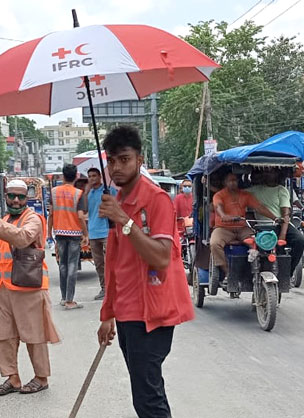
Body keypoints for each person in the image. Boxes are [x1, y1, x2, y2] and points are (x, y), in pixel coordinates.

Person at [96, 125, 194, 418]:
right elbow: (116, 265)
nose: (116, 167)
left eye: (124, 159)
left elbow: (162, 257)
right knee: (144, 392)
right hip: (127, 312)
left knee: (148, 397)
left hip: (153, 312)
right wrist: (107, 314)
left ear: (140, 160)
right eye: (111, 161)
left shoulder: (157, 199)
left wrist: (124, 220)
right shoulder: (116, 200)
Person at [0, 179, 60, 396]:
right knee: (3, 336)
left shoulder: (33, 219)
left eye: (21, 196)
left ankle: (41, 378)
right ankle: (12, 378)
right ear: (5, 196)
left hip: (29, 288)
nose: (16, 200)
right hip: (5, 288)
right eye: (11, 196)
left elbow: (23, 238)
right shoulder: (6, 219)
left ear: (28, 198)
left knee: (34, 335)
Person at [210, 172, 277, 275]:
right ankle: (227, 271)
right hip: (223, 228)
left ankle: (257, 268)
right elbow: (218, 207)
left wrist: (275, 218)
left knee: (259, 242)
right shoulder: (219, 195)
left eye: (235, 180)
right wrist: (224, 216)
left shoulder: (245, 195)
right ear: (225, 182)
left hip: (242, 228)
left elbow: (259, 208)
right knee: (214, 243)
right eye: (230, 181)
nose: (233, 183)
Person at [247, 170, 304, 273]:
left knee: (300, 240)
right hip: (261, 226)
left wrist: (283, 234)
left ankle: (289, 271)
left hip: (280, 225)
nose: (268, 174)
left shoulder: (282, 190)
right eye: (267, 172)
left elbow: (285, 214)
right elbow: (237, 194)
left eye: (272, 172)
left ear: (277, 175)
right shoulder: (254, 190)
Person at [48, 164, 88, 310]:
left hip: (59, 233)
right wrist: (86, 234)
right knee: (72, 265)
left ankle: (64, 297)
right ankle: (70, 300)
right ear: (76, 176)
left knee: (62, 265)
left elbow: (51, 213)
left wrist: (48, 233)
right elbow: (81, 216)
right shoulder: (78, 193)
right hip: (75, 235)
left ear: (63, 176)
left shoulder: (53, 192)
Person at [79, 168, 117, 300]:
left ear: (100, 176)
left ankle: (114, 288)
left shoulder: (109, 190)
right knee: (99, 263)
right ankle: (104, 288)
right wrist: (86, 193)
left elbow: (118, 206)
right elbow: (83, 210)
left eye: (94, 175)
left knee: (111, 262)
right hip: (93, 233)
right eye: (89, 176)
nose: (92, 178)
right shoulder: (88, 194)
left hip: (107, 231)